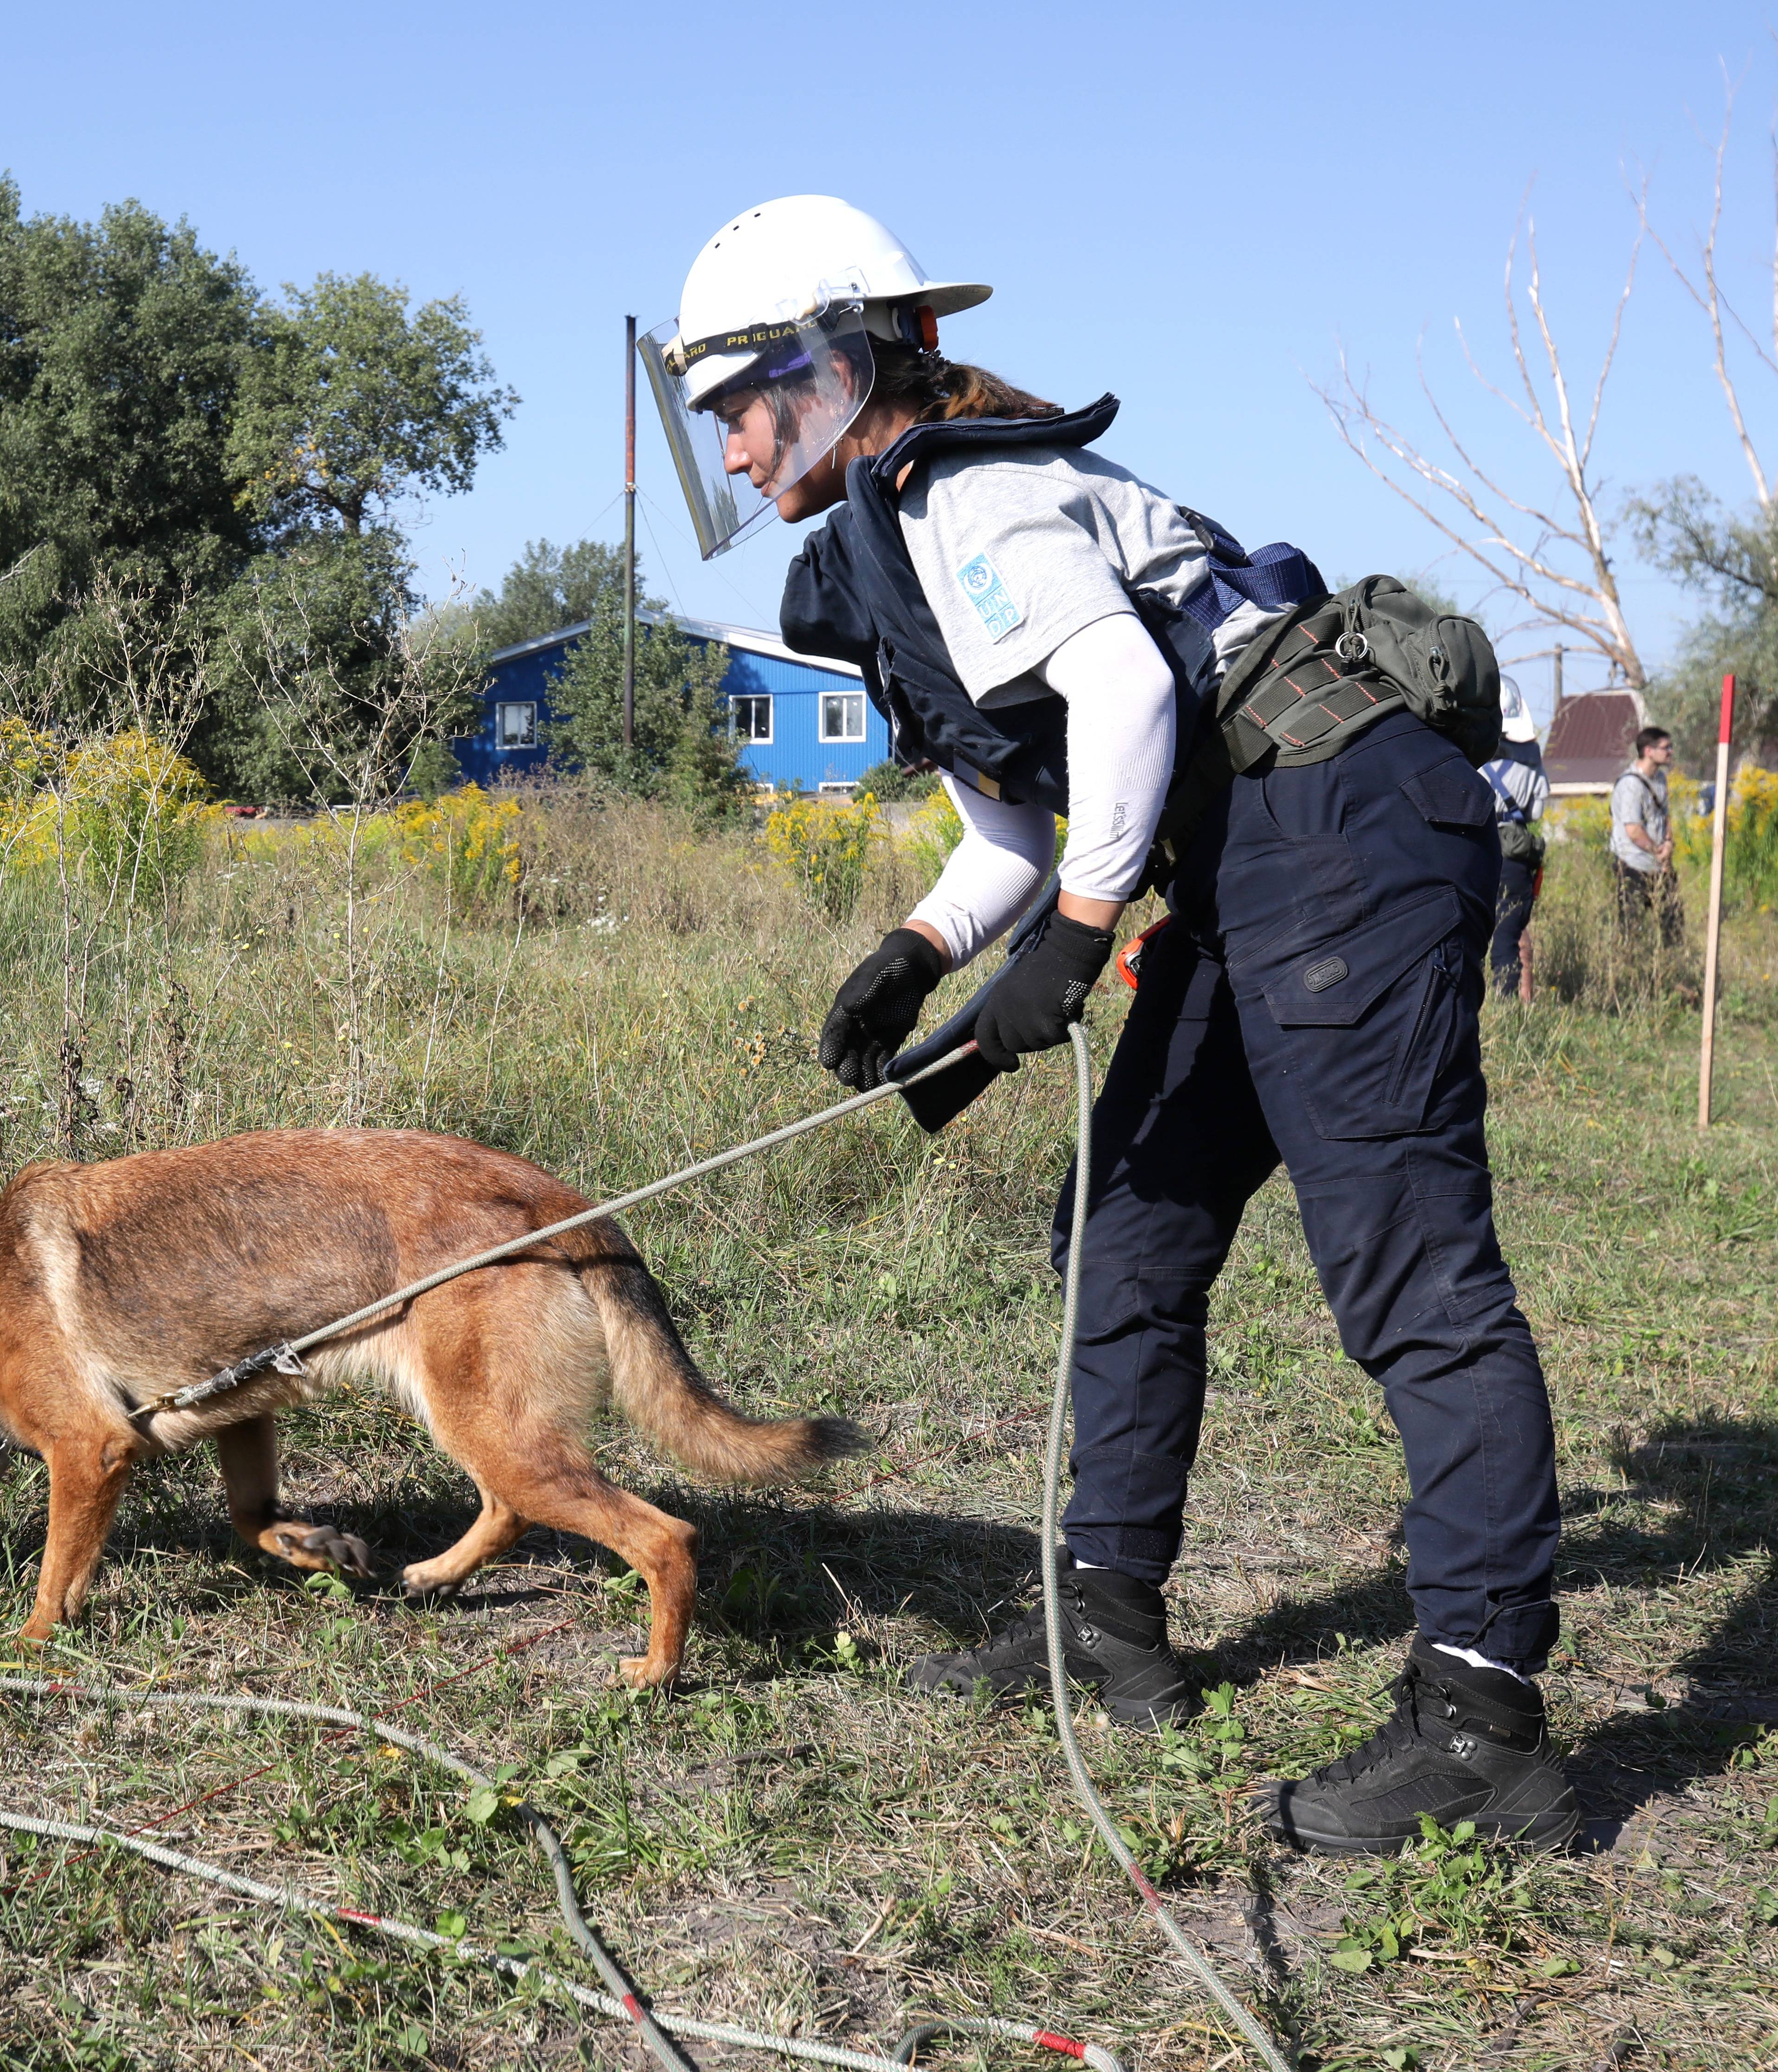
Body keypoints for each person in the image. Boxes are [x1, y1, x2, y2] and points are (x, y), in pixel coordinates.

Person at [652, 196, 1574, 1854]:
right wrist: (917, 950)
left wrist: (1075, 944)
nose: (722, 450)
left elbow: (1130, 697)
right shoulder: (892, 539)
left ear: (828, 365)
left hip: (1338, 826)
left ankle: (1480, 1717)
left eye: (732, 404)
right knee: (1125, 1225)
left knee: (1408, 1273)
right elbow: (1020, 819)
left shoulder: (972, 487)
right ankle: (1104, 1623)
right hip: (1253, 860)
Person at [1481, 677, 1552, 999]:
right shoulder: (1532, 756)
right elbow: (1537, 809)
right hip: (1516, 857)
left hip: (1476, 848)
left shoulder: (1469, 751)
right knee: (1509, 934)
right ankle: (1508, 1005)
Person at [1609, 727, 1682, 948]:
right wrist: (1658, 852)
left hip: (1659, 866)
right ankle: (1632, 971)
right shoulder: (1631, 785)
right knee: (1633, 928)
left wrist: (1668, 843)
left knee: (1673, 925)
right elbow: (1633, 830)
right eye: (1665, 748)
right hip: (1632, 865)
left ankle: (1672, 969)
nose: (1670, 752)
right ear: (1649, 751)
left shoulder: (1660, 779)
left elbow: (1665, 816)